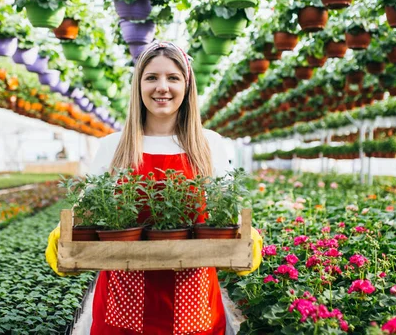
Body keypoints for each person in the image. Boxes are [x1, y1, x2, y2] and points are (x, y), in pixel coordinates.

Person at [45, 41, 262, 334]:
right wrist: (65, 235)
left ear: (187, 87)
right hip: (122, 304)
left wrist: (246, 235)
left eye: (173, 78)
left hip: (193, 301)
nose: (162, 87)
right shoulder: (114, 146)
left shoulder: (209, 144)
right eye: (152, 77)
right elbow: (87, 213)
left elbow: (225, 214)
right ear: (139, 85)